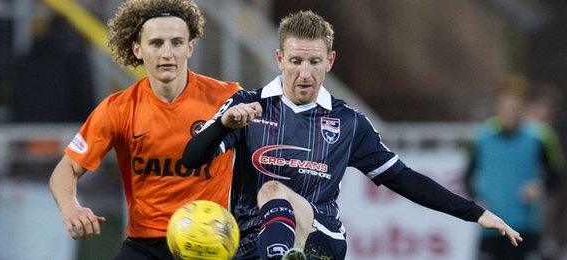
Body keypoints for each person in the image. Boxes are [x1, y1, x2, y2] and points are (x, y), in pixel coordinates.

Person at [183, 10, 522, 260]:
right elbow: (191, 159)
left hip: (320, 238)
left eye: (314, 62)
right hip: (247, 243)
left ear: (329, 61)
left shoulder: (348, 122)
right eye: (296, 61)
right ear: (279, 59)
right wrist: (224, 124)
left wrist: (476, 213)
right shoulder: (247, 106)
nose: (305, 73)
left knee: (273, 189)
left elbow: (403, 179)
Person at [48, 0, 240, 259]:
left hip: (207, 243)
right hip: (145, 244)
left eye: (176, 42)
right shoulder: (119, 109)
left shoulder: (227, 98)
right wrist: (71, 208)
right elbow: (66, 169)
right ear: (138, 49)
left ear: (190, 47)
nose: (167, 53)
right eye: (156, 43)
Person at [465, 75, 565, 260]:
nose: (509, 112)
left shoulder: (538, 137)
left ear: (522, 108)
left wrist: (540, 187)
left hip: (524, 226)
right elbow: (468, 176)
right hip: (491, 226)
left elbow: (555, 175)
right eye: (505, 107)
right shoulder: (482, 137)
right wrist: (477, 198)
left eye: (514, 107)